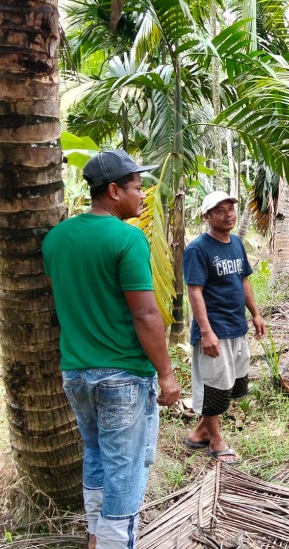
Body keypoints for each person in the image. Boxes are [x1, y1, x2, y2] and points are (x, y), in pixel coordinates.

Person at [42, 150, 181, 549]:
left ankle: (95, 538)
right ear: (114, 190)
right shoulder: (126, 238)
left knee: (97, 456)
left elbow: (63, 299)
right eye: (137, 188)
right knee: (125, 468)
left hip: (76, 373)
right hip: (121, 374)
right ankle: (115, 543)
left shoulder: (56, 239)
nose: (142, 196)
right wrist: (167, 375)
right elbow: (146, 315)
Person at [182, 191, 266, 464]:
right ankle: (215, 442)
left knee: (231, 385)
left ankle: (199, 434)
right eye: (220, 210)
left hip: (236, 326)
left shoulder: (237, 244)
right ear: (207, 217)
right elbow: (194, 292)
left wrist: (255, 314)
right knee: (215, 386)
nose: (228, 213)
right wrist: (206, 332)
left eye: (231, 208)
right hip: (214, 329)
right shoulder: (198, 249)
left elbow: (244, 281)